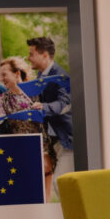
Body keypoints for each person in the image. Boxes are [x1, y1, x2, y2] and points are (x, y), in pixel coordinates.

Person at [0, 57, 57, 200]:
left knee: (44, 199)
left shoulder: (38, 92)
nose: (2, 78)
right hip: (20, 153)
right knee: (26, 197)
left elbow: (53, 113)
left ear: (17, 74)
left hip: (43, 150)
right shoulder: (2, 100)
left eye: (4, 74)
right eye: (1, 75)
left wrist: (43, 108)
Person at [26, 37, 73, 192]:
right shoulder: (41, 76)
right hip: (55, 142)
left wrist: (43, 107)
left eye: (31, 54)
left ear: (45, 55)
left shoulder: (60, 76)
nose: (28, 58)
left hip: (68, 141)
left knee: (60, 184)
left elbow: (64, 103)